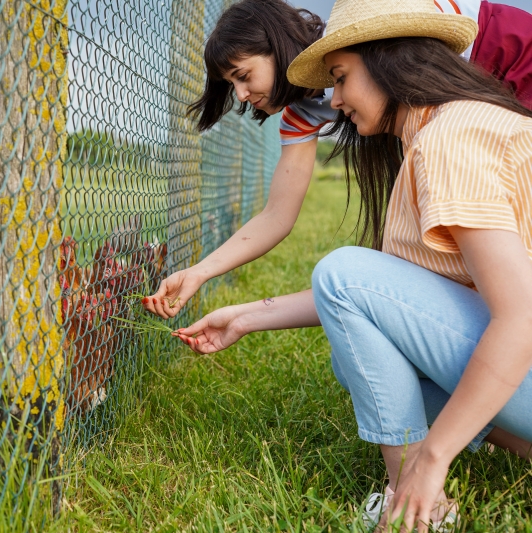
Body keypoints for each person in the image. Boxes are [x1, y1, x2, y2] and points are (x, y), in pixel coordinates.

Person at [170, 0, 532, 529]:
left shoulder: (451, 135)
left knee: (345, 275)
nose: (336, 101)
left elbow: (518, 316)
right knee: (357, 355)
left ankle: (415, 500)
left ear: (389, 61)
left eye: (341, 78)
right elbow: (390, 297)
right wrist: (243, 313)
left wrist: (433, 459)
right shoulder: (421, 138)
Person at [142, 0, 532, 320]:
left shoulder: (363, 34)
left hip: (505, 57)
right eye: (231, 85)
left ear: (277, 48)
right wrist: (199, 272)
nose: (241, 95)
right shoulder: (304, 113)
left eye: (243, 75)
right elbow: (277, 215)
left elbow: (441, 41)